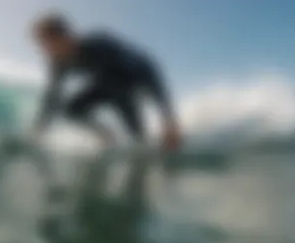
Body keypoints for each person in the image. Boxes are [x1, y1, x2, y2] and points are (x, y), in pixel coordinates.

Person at [30, 13, 182, 151]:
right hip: (104, 86)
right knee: (70, 110)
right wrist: (39, 129)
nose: (45, 51)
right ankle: (105, 134)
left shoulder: (100, 45)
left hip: (128, 85)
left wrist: (168, 119)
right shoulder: (58, 63)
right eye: (42, 46)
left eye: (47, 44)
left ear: (65, 36)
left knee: (138, 141)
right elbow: (51, 96)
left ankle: (148, 142)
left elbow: (147, 70)